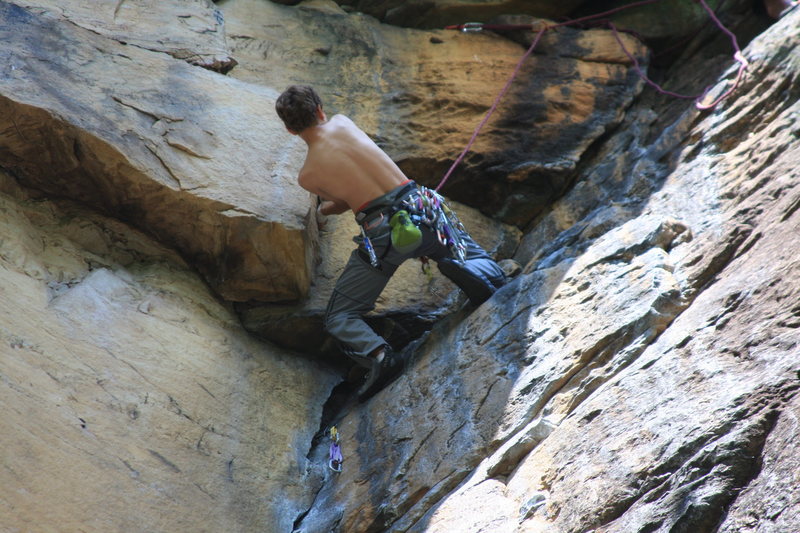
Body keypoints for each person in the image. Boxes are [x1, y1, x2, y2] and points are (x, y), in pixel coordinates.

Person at [275, 85, 506, 400]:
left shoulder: (308, 176)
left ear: (289, 130)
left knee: (340, 317)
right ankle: (473, 270)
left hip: (384, 233)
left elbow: (344, 200)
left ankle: (380, 356)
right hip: (423, 205)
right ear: (320, 110)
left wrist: (322, 210)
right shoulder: (343, 123)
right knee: (470, 252)